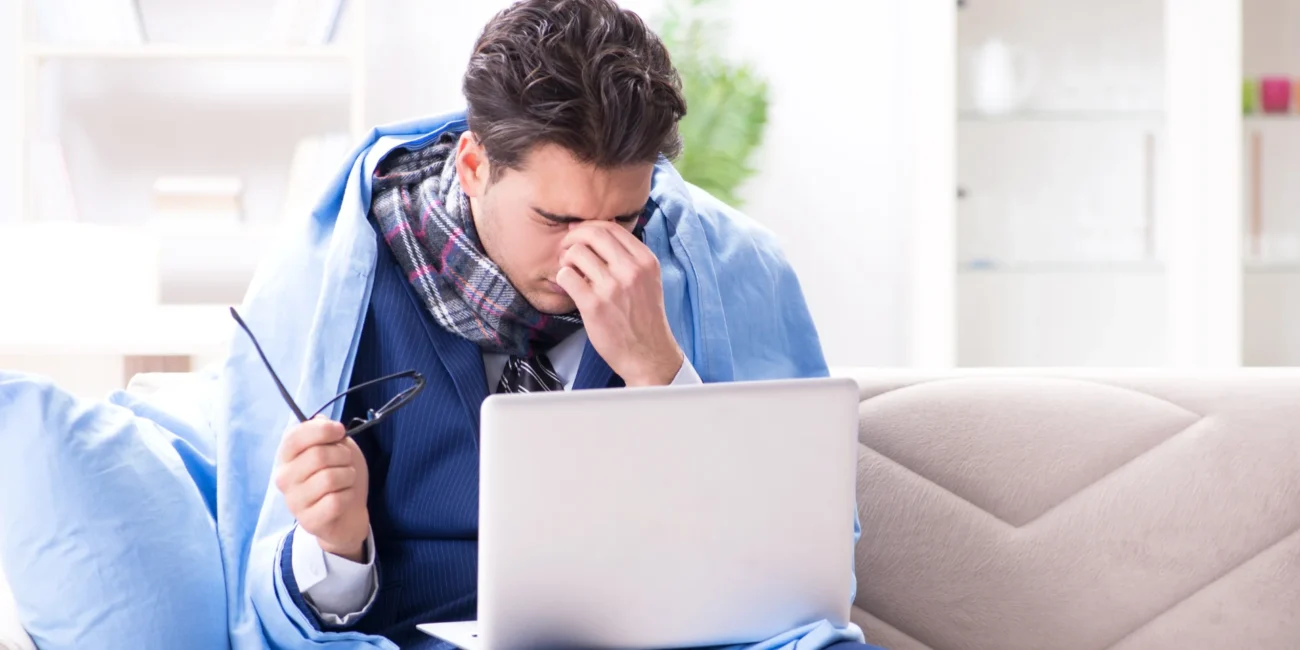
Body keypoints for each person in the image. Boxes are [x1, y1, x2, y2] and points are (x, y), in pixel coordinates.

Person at [256, 1, 884, 648]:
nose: (586, 254)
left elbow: (790, 574)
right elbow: (279, 601)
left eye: (624, 221)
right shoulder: (338, 277)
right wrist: (337, 547)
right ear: (473, 168)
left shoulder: (733, 267)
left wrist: (660, 372)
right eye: (555, 220)